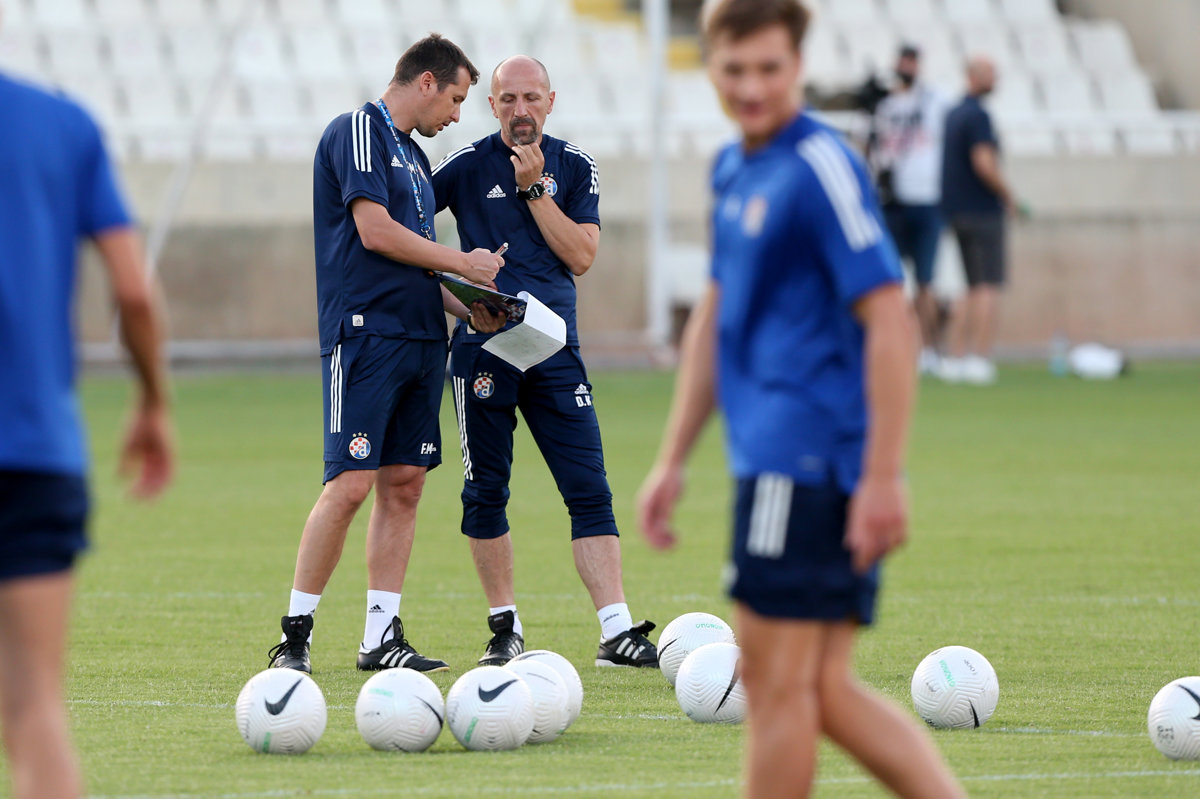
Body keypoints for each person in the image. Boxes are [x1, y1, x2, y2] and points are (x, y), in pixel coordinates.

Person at [637, 2, 966, 797]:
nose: (752, 87)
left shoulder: (822, 166)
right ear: (711, 67)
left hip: (807, 461)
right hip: (770, 462)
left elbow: (891, 320)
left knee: (780, 688)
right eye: (735, 69)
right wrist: (673, 457)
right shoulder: (732, 169)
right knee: (818, 690)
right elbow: (716, 320)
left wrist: (882, 475)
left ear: (799, 67)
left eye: (770, 69)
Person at [267, 34, 506, 675]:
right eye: (455, 98)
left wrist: (469, 305)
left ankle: (380, 637)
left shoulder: (417, 164)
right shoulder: (360, 129)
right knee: (348, 485)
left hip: (425, 339)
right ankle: (295, 636)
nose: (457, 114)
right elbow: (374, 232)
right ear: (425, 82)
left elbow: (419, 262)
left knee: (404, 486)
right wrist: (463, 261)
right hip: (366, 336)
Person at [431, 55, 657, 668]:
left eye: (532, 98)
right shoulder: (463, 167)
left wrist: (534, 192)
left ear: (551, 102)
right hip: (484, 350)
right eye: (508, 99)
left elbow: (581, 255)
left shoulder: (574, 166)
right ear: (492, 105)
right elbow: (411, 247)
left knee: (590, 489)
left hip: (554, 348)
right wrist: (459, 303)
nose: (521, 110)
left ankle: (615, 630)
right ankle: (504, 628)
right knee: (485, 491)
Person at [0, 60, 174, 799]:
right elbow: (132, 289)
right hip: (36, 456)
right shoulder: (61, 123)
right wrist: (153, 401)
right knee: (33, 704)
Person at [871, 44, 949, 374]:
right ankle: (899, 346)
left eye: (911, 62)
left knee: (926, 280)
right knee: (892, 280)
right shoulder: (883, 106)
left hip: (927, 199)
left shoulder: (933, 102)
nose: (907, 68)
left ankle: (929, 349)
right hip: (893, 201)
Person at [939, 55, 1016, 385]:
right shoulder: (979, 116)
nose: (995, 80)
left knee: (966, 287)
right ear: (973, 76)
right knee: (986, 286)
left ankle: (955, 357)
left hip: (955, 211)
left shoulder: (953, 114)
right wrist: (1008, 194)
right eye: (990, 74)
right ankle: (979, 358)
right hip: (982, 211)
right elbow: (983, 162)